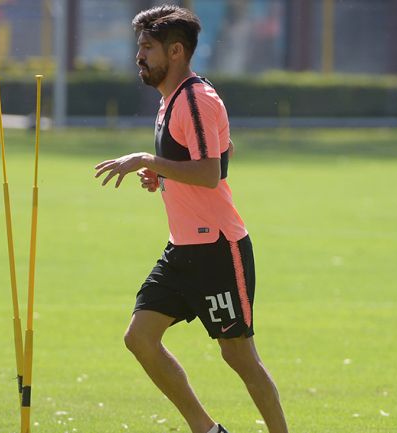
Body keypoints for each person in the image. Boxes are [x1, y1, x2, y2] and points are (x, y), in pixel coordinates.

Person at [94, 5, 289, 433]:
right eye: (139, 47)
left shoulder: (196, 99)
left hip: (219, 249)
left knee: (238, 356)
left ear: (176, 51)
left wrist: (150, 160)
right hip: (182, 249)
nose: (139, 56)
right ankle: (208, 430)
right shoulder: (170, 102)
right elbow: (218, 154)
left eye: (147, 47)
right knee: (139, 339)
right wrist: (161, 173)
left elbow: (211, 170)